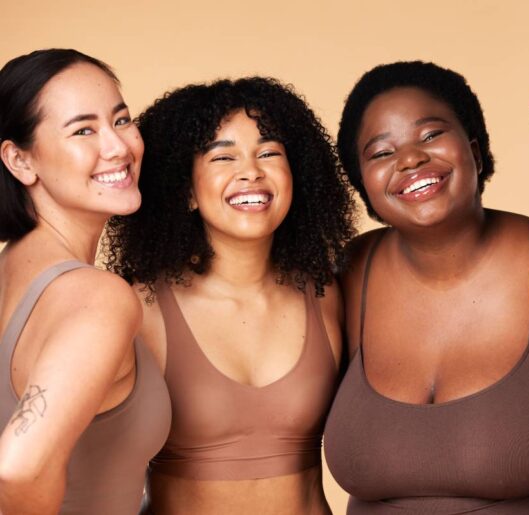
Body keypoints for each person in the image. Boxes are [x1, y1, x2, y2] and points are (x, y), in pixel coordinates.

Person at [323, 60, 529, 514]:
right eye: (381, 152)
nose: (410, 159)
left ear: (475, 149)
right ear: (362, 183)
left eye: (430, 135)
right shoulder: (346, 276)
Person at [105, 76, 356, 515]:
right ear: (185, 190)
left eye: (269, 153)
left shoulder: (325, 294)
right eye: (224, 156)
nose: (251, 171)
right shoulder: (139, 308)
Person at [0, 49, 171, 514]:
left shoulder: (10, 271)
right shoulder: (98, 298)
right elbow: (16, 469)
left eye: (121, 120)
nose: (118, 147)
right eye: (83, 130)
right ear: (20, 160)